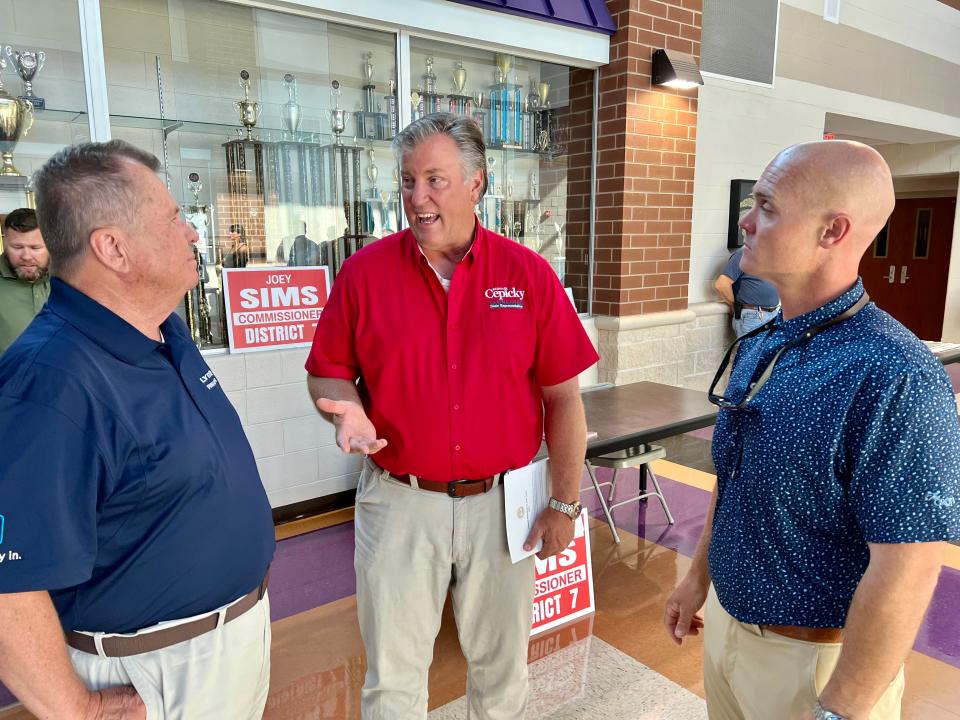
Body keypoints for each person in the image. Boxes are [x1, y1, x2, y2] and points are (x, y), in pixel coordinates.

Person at [305, 113, 598, 720]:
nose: (417, 198)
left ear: (476, 184)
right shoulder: (365, 274)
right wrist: (348, 411)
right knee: (393, 675)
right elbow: (327, 369)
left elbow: (564, 401)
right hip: (400, 501)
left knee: (501, 669)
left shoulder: (527, 275)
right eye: (408, 181)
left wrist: (565, 504)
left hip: (502, 505)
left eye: (435, 180)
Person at [664, 140, 960, 720]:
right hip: (728, 631)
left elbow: (909, 563)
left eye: (768, 206)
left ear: (833, 231)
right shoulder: (765, 342)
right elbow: (735, 474)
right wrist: (696, 578)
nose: (747, 221)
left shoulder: (894, 374)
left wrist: (838, 710)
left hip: (816, 667)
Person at [0, 141, 275, 719]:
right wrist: (75, 710)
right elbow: (8, 585)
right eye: (175, 219)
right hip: (153, 670)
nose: (193, 234)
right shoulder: (51, 381)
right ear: (114, 248)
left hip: (227, 642)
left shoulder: (161, 332)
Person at [0, 208, 51, 354]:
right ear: (4, 242)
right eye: (17, 247)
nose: (26, 256)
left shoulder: (72, 278)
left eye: (35, 248)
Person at [714, 246, 780, 336]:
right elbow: (721, 285)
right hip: (753, 317)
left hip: (772, 315)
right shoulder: (744, 255)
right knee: (750, 350)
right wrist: (734, 306)